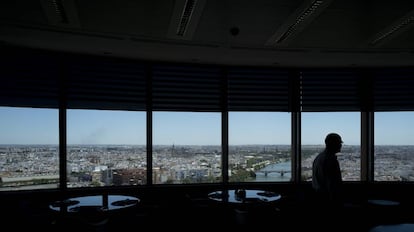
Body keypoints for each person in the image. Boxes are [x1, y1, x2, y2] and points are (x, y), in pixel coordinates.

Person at [312, 132, 344, 208]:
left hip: (319, 196)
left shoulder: (319, 157)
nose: (341, 145)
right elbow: (331, 183)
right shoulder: (330, 160)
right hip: (327, 199)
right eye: (339, 143)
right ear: (333, 144)